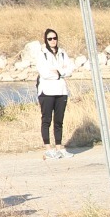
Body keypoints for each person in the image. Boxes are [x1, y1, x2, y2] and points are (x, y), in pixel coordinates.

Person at [34, 28, 73, 159]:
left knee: (59, 121)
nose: (53, 41)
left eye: (55, 38)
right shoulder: (42, 54)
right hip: (47, 92)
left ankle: (59, 148)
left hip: (61, 91)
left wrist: (58, 72)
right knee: (46, 120)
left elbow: (70, 70)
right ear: (46, 40)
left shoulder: (62, 53)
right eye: (50, 39)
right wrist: (59, 73)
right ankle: (48, 148)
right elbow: (44, 73)